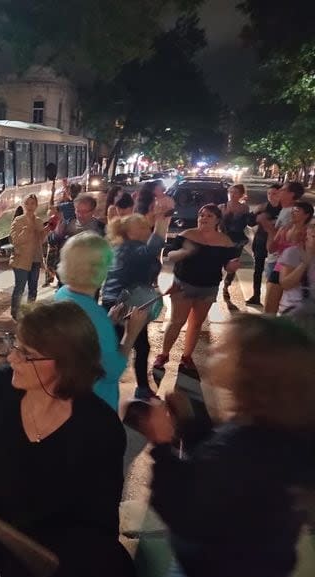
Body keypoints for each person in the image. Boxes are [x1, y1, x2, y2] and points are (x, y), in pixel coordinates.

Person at [0, 301, 136, 577]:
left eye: (26, 353)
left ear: (66, 364)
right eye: (15, 345)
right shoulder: (2, 387)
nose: (12, 358)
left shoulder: (100, 431)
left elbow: (100, 525)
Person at [141, 314, 315, 577]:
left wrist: (161, 443)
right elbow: (214, 472)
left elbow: (181, 508)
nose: (213, 348)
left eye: (225, 349)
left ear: (252, 372)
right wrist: (191, 424)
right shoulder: (274, 427)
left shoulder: (244, 450)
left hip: (210, 565)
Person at [55, 232, 149, 410]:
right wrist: (131, 333)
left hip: (69, 396)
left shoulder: (63, 294)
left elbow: (83, 337)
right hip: (96, 404)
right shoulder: (95, 317)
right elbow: (112, 371)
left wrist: (109, 321)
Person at [153, 204, 240, 373]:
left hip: (208, 287)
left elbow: (228, 266)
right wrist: (182, 253)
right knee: (177, 321)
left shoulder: (225, 241)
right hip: (183, 284)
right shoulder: (187, 235)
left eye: (209, 216)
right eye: (201, 215)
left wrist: (232, 266)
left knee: (196, 323)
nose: (203, 218)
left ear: (217, 220)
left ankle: (187, 357)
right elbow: (170, 254)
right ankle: (163, 354)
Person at [103, 213, 169, 399]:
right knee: (135, 345)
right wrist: (162, 221)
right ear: (128, 232)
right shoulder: (131, 248)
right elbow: (152, 249)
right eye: (140, 226)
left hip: (119, 302)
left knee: (130, 345)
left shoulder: (120, 248)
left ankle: (124, 386)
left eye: (145, 225)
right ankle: (132, 388)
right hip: (126, 305)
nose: (145, 228)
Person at [260, 181, 306, 314]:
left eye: (283, 190)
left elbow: (276, 244)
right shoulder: (285, 211)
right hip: (278, 260)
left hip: (280, 262)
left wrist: (269, 228)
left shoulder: (290, 213)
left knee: (272, 305)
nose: (279, 192)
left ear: (291, 194)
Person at [9, 193, 47, 319]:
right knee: (19, 287)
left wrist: (45, 232)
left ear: (36, 205)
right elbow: (15, 241)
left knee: (33, 287)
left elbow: (40, 241)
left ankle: (30, 311)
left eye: (33, 203)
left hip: (35, 258)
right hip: (21, 259)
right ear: (23, 205)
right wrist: (27, 230)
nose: (30, 206)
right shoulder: (18, 220)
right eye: (27, 203)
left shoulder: (38, 221)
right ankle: (15, 312)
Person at [245, 184, 281, 306]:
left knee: (276, 270)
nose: (271, 196)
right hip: (261, 241)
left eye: (274, 193)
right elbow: (250, 223)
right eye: (269, 194)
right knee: (258, 269)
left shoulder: (285, 209)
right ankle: (256, 296)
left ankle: (275, 296)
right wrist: (254, 212)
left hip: (278, 243)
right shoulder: (263, 207)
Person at [278, 219, 315, 315]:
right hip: (294, 310)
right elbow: (285, 284)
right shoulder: (292, 252)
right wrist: (306, 261)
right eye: (312, 226)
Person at [219, 184, 250, 300]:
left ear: (241, 195)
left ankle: (226, 287)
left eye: (235, 192)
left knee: (232, 266)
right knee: (218, 264)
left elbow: (245, 223)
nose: (232, 195)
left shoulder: (244, 208)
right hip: (222, 240)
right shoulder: (222, 207)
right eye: (231, 192)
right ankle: (215, 284)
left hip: (237, 240)